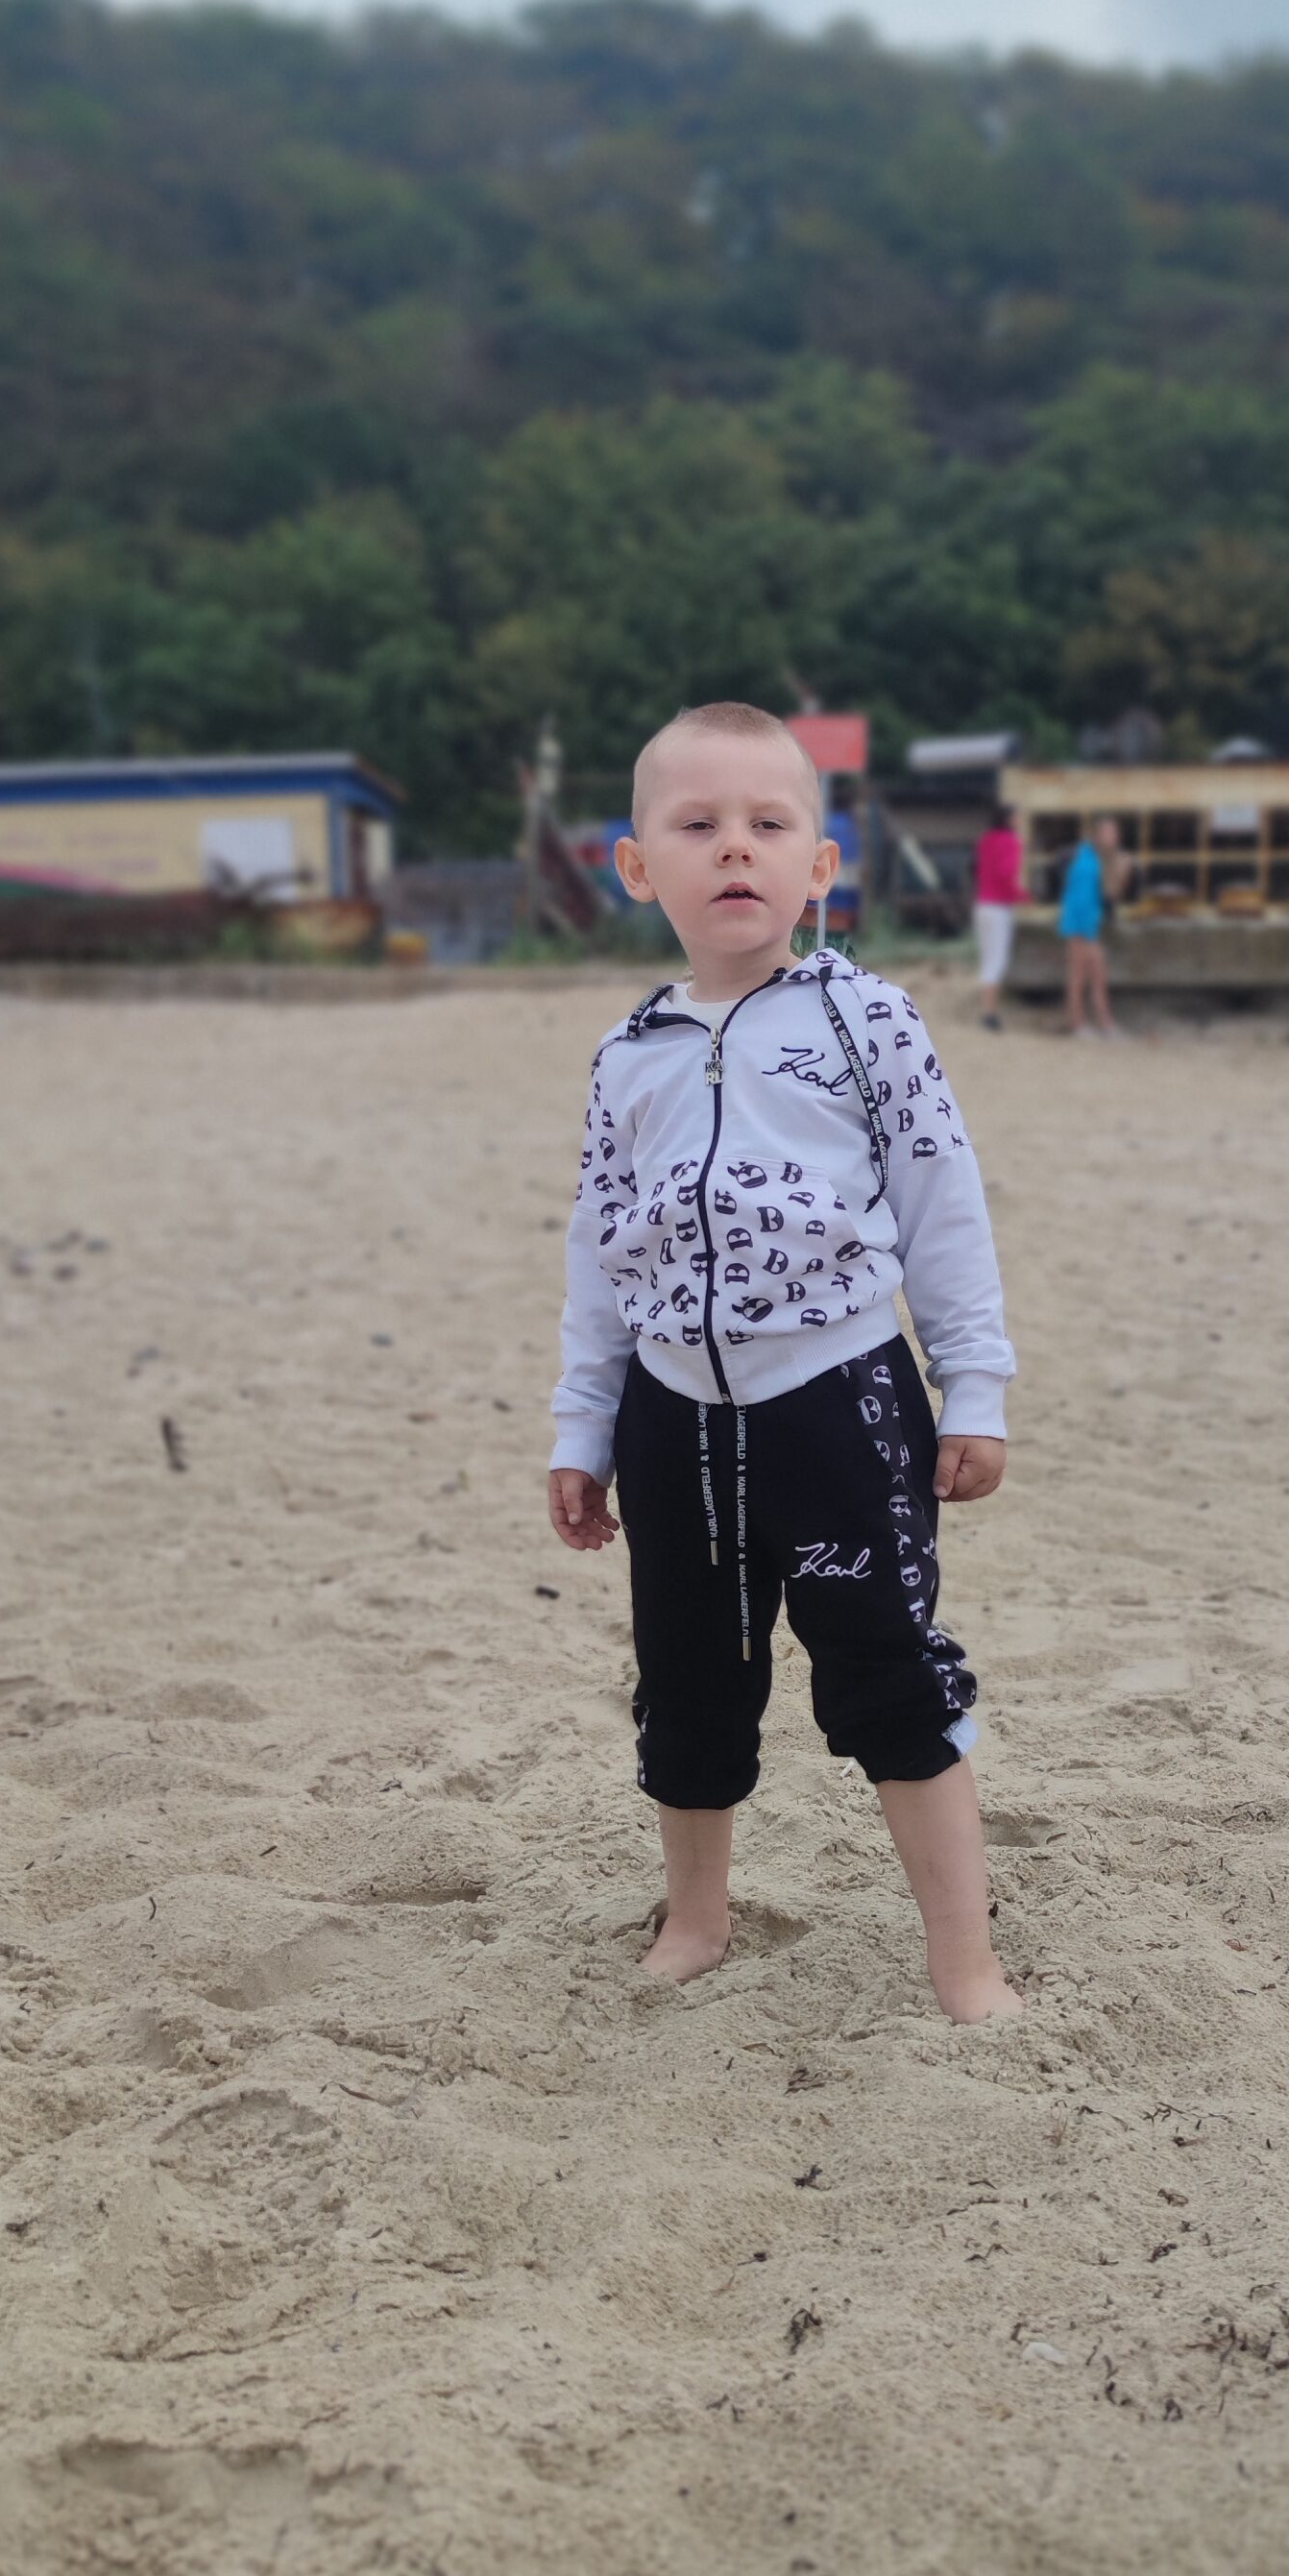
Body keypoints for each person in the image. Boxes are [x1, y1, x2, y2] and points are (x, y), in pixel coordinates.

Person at [547, 698, 1022, 2025]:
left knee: (890, 1670)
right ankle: (698, 1918)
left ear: (820, 866)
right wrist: (582, 1429)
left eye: (767, 824)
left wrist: (974, 1386)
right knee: (687, 1679)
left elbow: (942, 1202)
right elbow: (600, 1251)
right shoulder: (628, 1056)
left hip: (839, 1399)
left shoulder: (869, 1022)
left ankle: (965, 1961)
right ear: (637, 866)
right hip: (671, 1415)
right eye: (697, 824)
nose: (733, 848)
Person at [1058, 813, 1127, 1035]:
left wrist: (1121, 872)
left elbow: (1109, 897)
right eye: (1109, 832)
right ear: (1097, 836)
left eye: (1115, 832)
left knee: (1095, 977)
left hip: (1086, 927)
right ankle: (1080, 1025)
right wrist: (1086, 934)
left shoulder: (1096, 858)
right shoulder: (1087, 862)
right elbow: (1082, 901)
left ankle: (1104, 1025)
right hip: (1081, 927)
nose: (1114, 837)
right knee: (1081, 977)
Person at [972, 802, 1028, 1031]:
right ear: (1009, 819)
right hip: (999, 908)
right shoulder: (1012, 841)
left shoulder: (985, 840)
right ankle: (990, 1013)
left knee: (987, 959)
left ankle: (986, 1009)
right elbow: (1006, 874)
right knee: (997, 961)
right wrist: (1024, 897)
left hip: (983, 905)